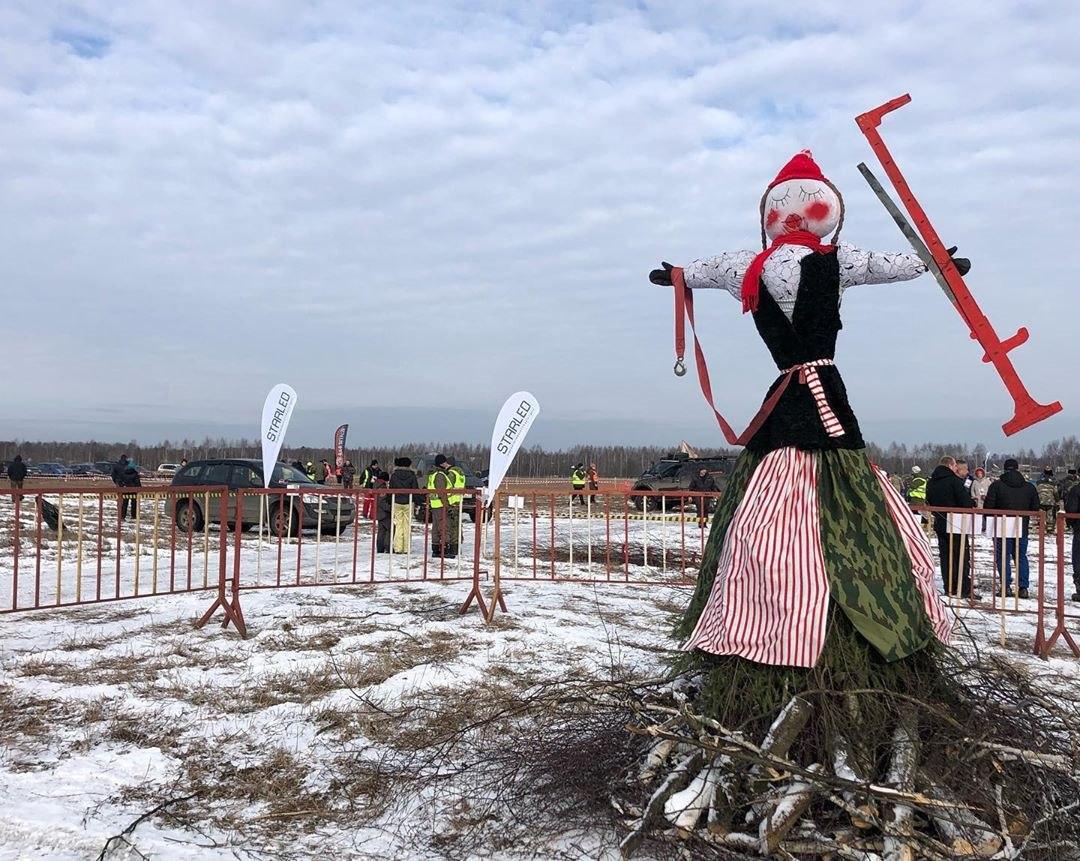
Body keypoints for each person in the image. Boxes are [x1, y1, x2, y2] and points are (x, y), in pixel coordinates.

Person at [654, 149, 956, 668]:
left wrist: (679, 274)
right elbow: (892, 264)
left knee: (764, 505)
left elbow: (704, 269)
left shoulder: (749, 268)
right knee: (838, 477)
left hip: (789, 393)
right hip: (815, 390)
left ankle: (772, 611)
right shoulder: (835, 259)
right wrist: (934, 263)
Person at [984, 458, 1039, 600]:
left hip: (1002, 526)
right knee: (1021, 557)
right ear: (1017, 468)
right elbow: (1035, 507)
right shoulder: (1029, 487)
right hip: (1021, 527)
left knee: (1003, 556)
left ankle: (1006, 586)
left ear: (1004, 469)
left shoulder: (996, 486)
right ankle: (1023, 588)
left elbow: (988, 507)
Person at [925, 456, 975, 598]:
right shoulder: (954, 481)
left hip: (940, 522)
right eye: (954, 466)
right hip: (956, 523)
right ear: (951, 465)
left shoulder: (931, 482)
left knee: (946, 556)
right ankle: (962, 588)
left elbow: (928, 500)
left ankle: (949, 587)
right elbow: (965, 501)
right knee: (961, 557)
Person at [427, 454, 459, 558]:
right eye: (445, 462)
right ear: (442, 463)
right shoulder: (440, 475)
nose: (447, 463)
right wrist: (447, 505)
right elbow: (442, 493)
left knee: (436, 527)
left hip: (435, 504)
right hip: (441, 505)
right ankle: (445, 550)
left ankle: (436, 549)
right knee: (444, 527)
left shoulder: (433, 474)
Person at [389, 457, 419, 553]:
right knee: (407, 525)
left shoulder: (394, 475)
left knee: (398, 525)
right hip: (408, 502)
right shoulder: (412, 475)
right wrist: (417, 502)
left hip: (396, 502)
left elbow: (390, 489)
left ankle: (397, 548)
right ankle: (406, 548)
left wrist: (390, 501)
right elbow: (415, 489)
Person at [1064, 471, 1080, 601]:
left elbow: (1072, 509)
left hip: (1079, 529)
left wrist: (1070, 523)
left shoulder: (1076, 490)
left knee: (1078, 558)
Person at [375, 470, 393, 552]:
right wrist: (390, 508)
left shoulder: (376, 485)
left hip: (378, 512)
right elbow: (381, 502)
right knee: (390, 529)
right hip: (384, 513)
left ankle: (380, 548)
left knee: (381, 531)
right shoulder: (382, 487)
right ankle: (388, 547)